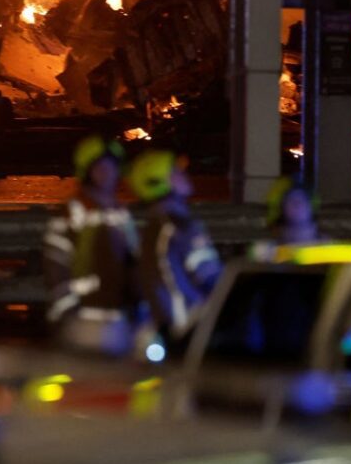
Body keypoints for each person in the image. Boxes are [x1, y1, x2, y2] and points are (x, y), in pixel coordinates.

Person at [43, 136, 141, 355]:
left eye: (112, 167)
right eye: (99, 167)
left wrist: (139, 311)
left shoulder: (120, 213)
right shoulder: (70, 215)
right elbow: (56, 268)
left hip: (120, 321)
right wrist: (69, 315)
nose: (107, 173)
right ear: (86, 171)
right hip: (84, 322)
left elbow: (134, 262)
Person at [129, 150, 221, 345]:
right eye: (176, 172)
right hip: (195, 329)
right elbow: (211, 278)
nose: (184, 175)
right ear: (159, 182)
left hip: (165, 330)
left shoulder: (152, 228)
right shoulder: (180, 227)